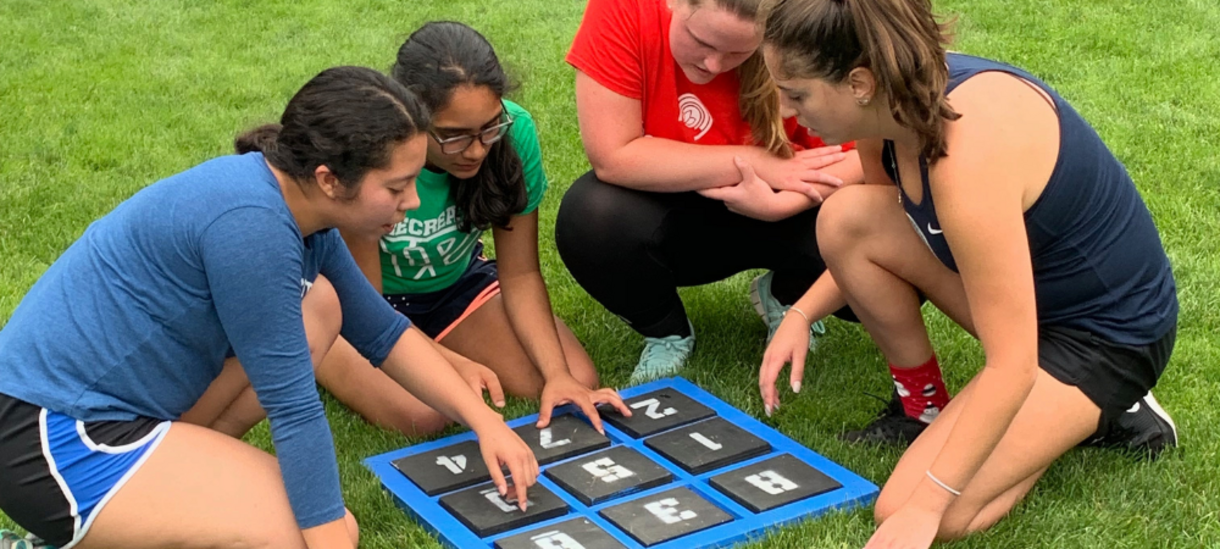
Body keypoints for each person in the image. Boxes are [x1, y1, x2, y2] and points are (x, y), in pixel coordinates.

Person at [0, 66, 539, 549]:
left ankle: (171, 489)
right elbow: (293, 409)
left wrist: (484, 425)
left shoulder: (300, 203)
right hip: (49, 438)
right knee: (310, 536)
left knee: (323, 305)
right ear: (330, 178)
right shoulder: (250, 228)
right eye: (397, 186)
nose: (413, 201)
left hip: (124, 410)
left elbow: (381, 332)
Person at [760, 0, 1178, 545]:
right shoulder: (882, 111)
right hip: (1027, 305)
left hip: (1103, 336)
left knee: (914, 509)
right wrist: (802, 312)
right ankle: (926, 411)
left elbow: (1012, 363)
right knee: (846, 218)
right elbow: (881, 229)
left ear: (859, 81)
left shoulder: (967, 154)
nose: (787, 111)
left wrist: (928, 507)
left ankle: (1106, 408)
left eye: (796, 93)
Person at [310, 21, 632, 437]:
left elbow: (520, 273)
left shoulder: (513, 134)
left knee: (576, 378)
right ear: (411, 117)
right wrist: (450, 363)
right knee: (424, 415)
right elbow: (368, 305)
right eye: (453, 136)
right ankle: (318, 342)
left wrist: (557, 375)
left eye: (488, 128)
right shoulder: (369, 154)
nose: (478, 149)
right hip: (360, 304)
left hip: (455, 289)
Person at [555, 0, 865, 386]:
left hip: (784, 202)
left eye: (738, 51)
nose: (714, 65)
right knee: (592, 216)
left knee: (883, 241)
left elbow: (868, 156)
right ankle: (666, 329)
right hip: (669, 206)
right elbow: (613, 156)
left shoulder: (803, 20)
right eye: (700, 40)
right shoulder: (623, 8)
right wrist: (756, 161)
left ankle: (788, 296)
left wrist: (781, 204)